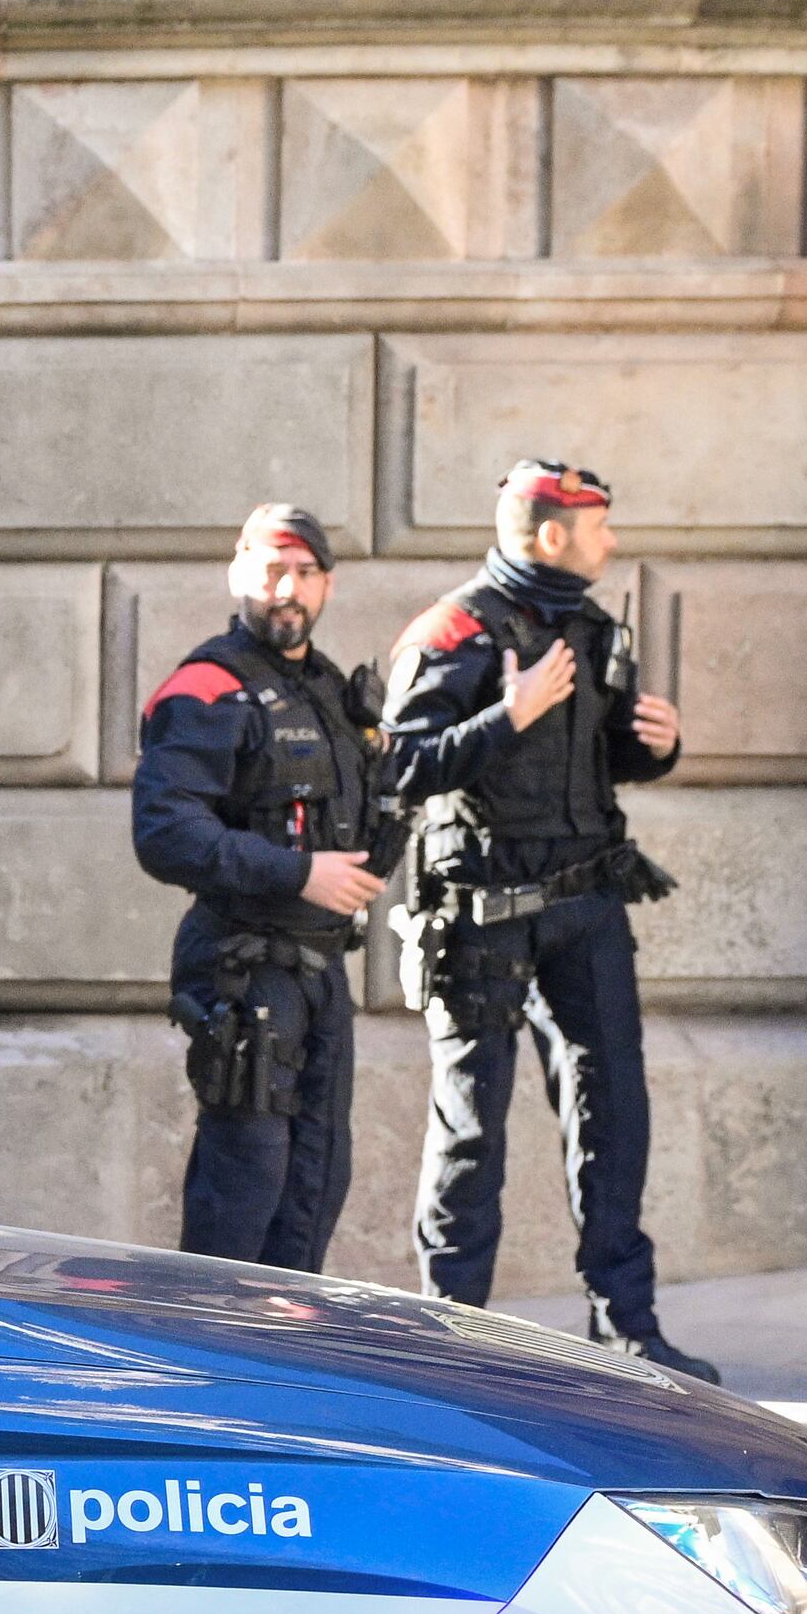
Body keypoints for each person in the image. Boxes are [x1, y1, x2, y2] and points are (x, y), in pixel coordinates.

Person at [378, 459, 714, 1380]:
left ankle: (627, 1326)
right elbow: (398, 768)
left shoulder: (592, 624)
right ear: (550, 533)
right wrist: (506, 714)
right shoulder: (456, 627)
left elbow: (603, 764)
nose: (611, 542)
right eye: (598, 525)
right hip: (482, 915)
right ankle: (455, 1340)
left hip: (585, 908)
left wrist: (656, 746)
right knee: (471, 1123)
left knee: (616, 1112)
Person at [129, 503, 380, 1271]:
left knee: (315, 1183)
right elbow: (165, 832)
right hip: (244, 972)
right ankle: (204, 1369)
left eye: (304, 573)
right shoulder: (205, 687)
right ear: (238, 573)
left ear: (327, 586)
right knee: (244, 1188)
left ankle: (285, 1366)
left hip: (320, 971)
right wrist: (300, 872)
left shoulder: (330, 690)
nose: (287, 588)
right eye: (271, 569)